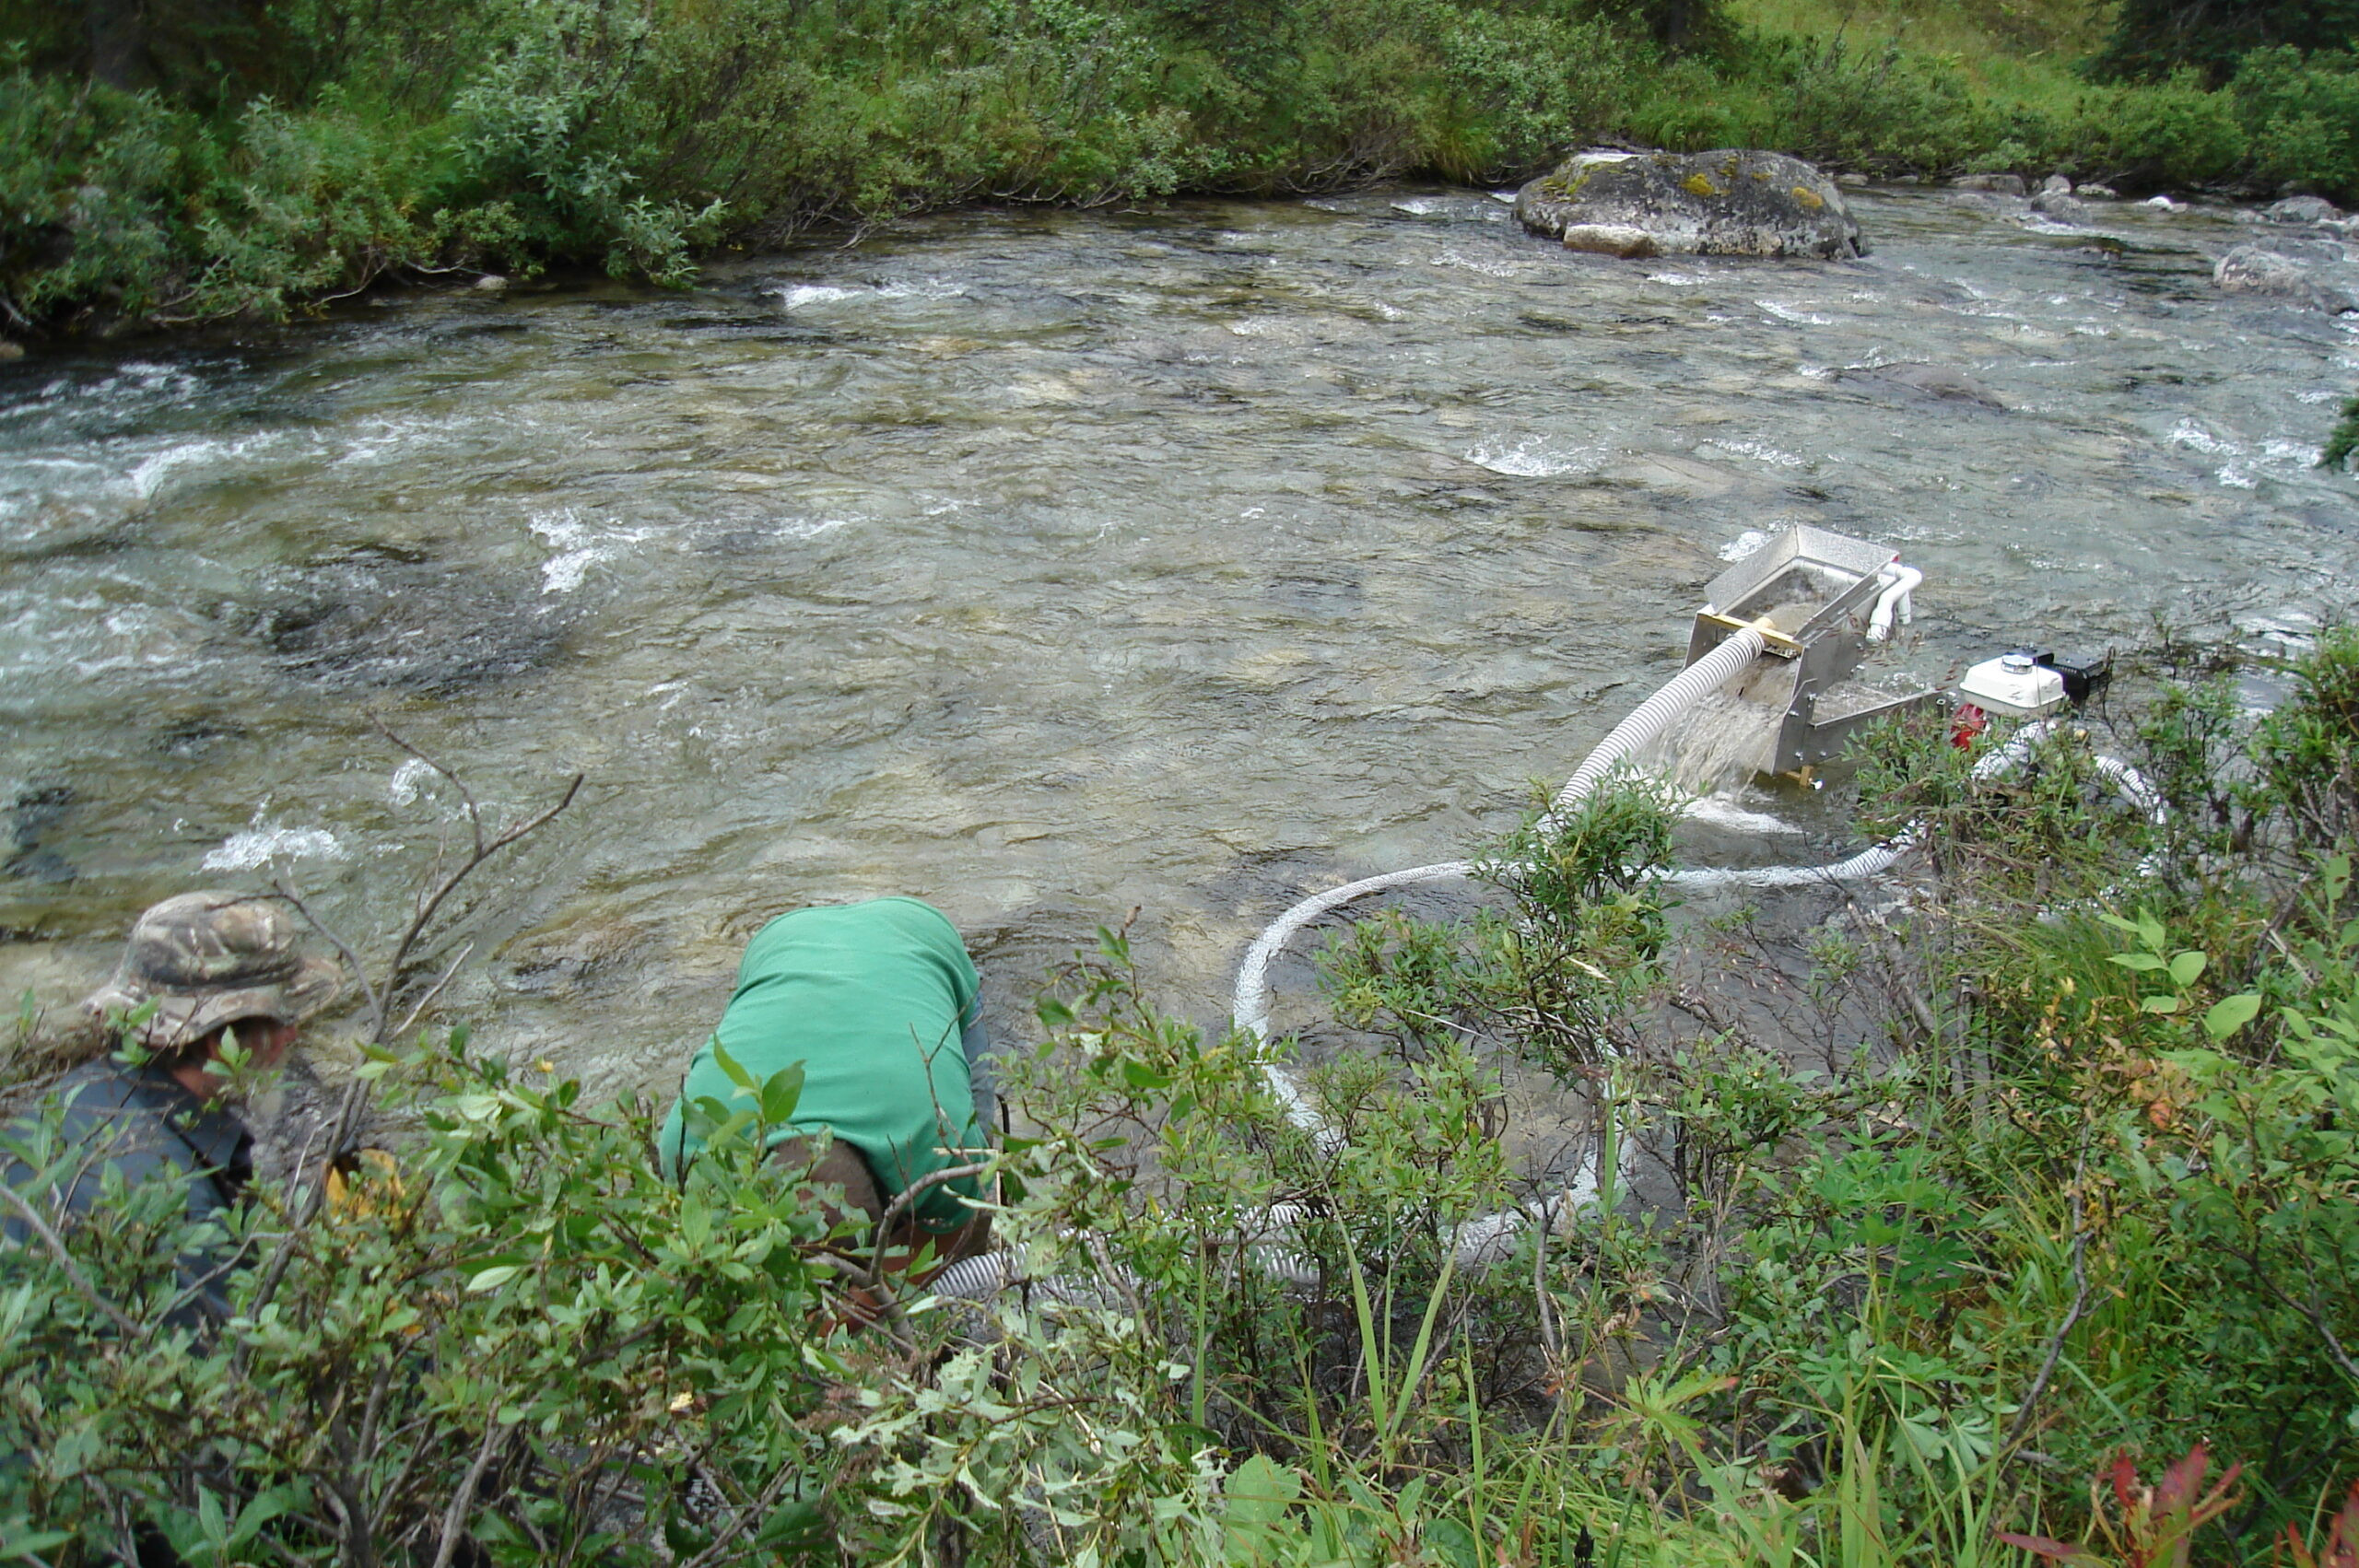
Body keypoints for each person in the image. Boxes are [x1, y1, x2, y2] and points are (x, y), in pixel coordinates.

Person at [0, 891, 342, 1324]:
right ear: (223, 1045)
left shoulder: (67, 1099)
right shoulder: (184, 1219)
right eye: (282, 1019)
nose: (294, 1035)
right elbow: (239, 1376)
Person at [657, 896, 998, 1279]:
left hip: (922, 939)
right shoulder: (692, 1148)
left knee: (967, 1222)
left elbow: (963, 1228)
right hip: (781, 944)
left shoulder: (941, 1141)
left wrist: (863, 1303)